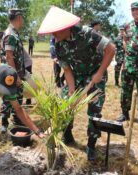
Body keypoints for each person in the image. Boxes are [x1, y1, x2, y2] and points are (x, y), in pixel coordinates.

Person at [38, 6, 115, 161]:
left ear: (66, 27)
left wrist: (100, 72)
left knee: (94, 110)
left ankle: (91, 145)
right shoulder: (58, 45)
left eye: (56, 31)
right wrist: (72, 90)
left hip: (95, 73)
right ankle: (67, 135)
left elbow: (111, 49)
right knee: (66, 103)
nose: (53, 35)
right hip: (76, 75)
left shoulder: (87, 34)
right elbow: (66, 70)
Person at [0, 8, 26, 134]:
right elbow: (9, 56)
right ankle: (4, 122)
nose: (23, 20)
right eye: (23, 18)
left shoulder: (14, 33)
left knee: (18, 96)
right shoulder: (10, 34)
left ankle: (17, 119)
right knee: (8, 96)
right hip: (10, 74)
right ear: (19, 18)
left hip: (16, 71)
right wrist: (16, 76)